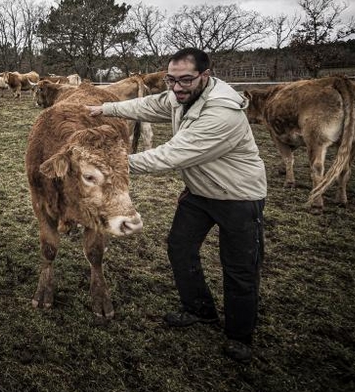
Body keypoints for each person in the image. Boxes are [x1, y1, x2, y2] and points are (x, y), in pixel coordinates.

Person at [88, 48, 267, 364]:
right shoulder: (181, 95)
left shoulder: (221, 112)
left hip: (238, 197)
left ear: (204, 76)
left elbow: (169, 155)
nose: (177, 87)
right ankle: (199, 309)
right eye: (171, 79)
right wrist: (105, 108)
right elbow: (149, 104)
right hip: (199, 192)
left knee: (239, 266)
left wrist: (109, 164)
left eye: (185, 79)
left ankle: (240, 335)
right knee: (180, 247)